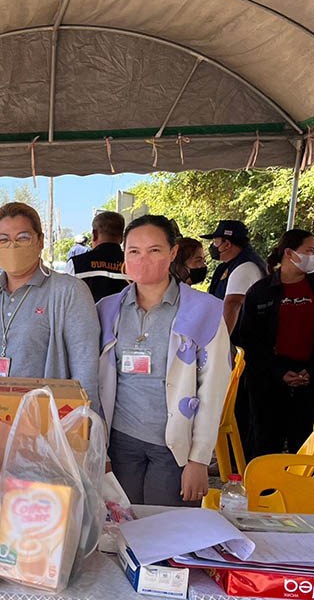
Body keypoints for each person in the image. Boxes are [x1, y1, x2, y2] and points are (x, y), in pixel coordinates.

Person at [98, 215, 231, 506]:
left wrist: (199, 459)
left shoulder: (204, 311)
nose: (143, 259)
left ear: (173, 252)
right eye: (134, 251)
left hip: (175, 451)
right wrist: (99, 452)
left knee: (168, 528)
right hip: (120, 446)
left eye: (154, 250)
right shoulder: (107, 310)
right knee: (122, 526)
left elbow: (213, 389)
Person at [0, 202, 101, 411]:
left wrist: (83, 422)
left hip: (45, 419)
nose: (13, 246)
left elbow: (86, 369)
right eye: (3, 239)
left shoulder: (69, 292)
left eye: (23, 238)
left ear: (40, 241)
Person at [240, 229, 314, 456]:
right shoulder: (260, 292)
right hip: (268, 382)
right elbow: (249, 339)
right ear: (289, 253)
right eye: (310, 251)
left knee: (308, 448)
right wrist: (277, 371)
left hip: (313, 380)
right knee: (266, 445)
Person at [202, 220, 267, 335]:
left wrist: (220, 340)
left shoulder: (245, 267)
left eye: (215, 242)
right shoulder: (233, 264)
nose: (212, 246)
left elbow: (232, 304)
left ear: (227, 244)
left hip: (239, 339)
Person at [66, 211, 128, 302]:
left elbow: (65, 299)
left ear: (94, 235)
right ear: (122, 238)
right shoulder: (134, 264)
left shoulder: (75, 264)